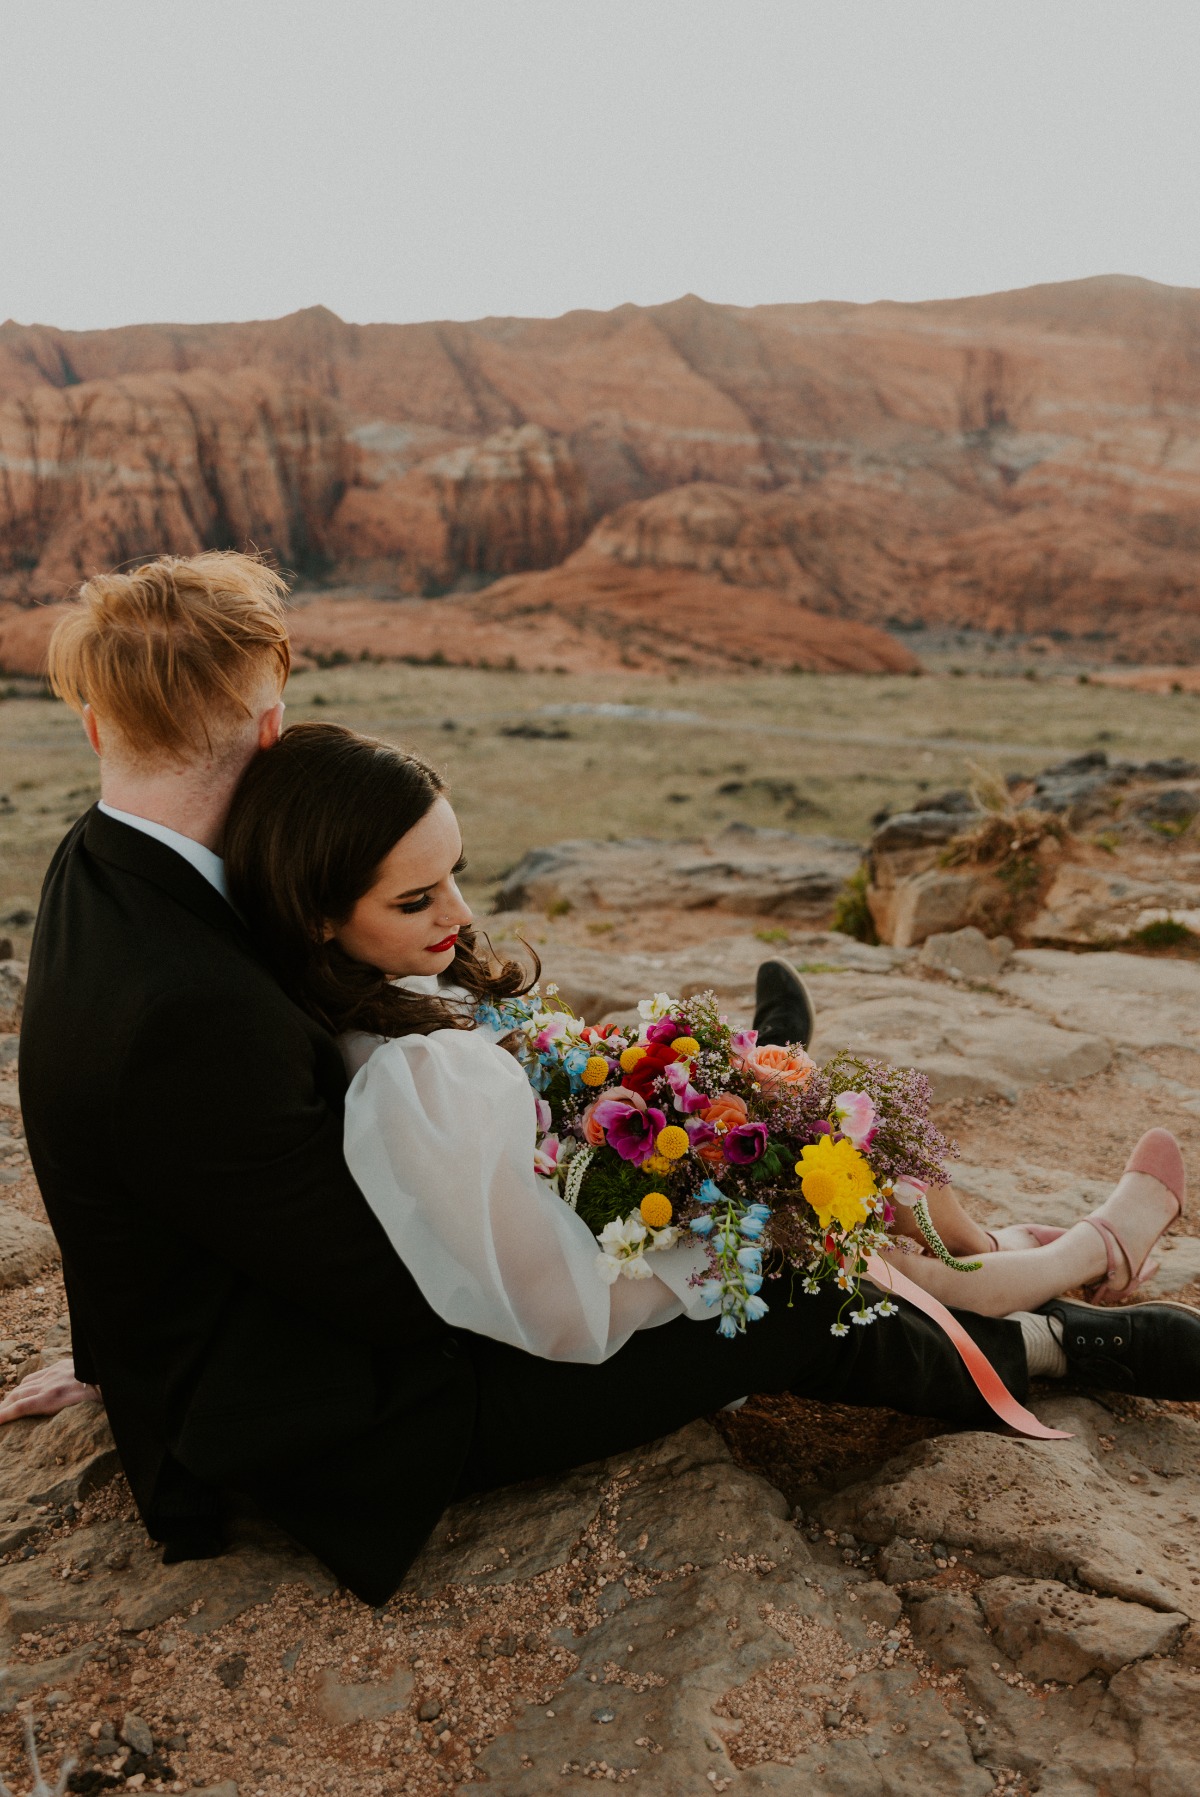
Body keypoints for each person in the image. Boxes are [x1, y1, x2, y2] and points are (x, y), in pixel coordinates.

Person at [11, 551, 1200, 1608]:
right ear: (270, 729)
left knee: (727, 1193)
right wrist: (642, 1236)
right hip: (342, 1426)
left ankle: (1001, 1268)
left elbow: (119, 1163)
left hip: (264, 1335)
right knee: (762, 1280)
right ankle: (1069, 1340)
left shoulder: (106, 866)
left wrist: (127, 1338)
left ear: (100, 734)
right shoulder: (187, 1005)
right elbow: (391, 1297)